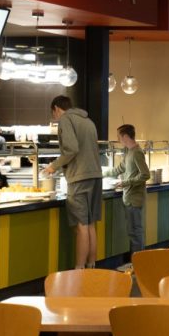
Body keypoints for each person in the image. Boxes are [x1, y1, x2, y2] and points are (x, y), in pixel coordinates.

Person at [43, 96, 102, 269]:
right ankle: (91, 265)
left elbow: (72, 149)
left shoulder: (65, 120)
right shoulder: (88, 121)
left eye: (53, 113)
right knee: (90, 224)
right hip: (95, 176)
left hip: (79, 178)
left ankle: (79, 270)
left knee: (81, 226)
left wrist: (53, 166)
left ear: (56, 108)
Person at [104, 124, 150, 257]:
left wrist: (125, 182)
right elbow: (119, 169)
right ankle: (136, 261)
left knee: (135, 232)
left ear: (125, 136)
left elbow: (145, 174)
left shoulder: (137, 152)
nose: (118, 139)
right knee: (133, 232)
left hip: (134, 199)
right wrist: (100, 173)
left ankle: (137, 263)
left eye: (119, 136)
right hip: (129, 198)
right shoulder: (129, 152)